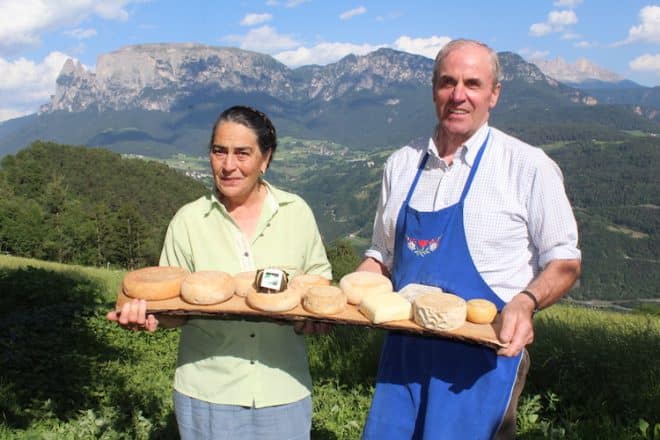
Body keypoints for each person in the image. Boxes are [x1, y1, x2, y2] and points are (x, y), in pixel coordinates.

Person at [357, 39, 581, 439]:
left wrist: (526, 303)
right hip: (404, 355)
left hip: (483, 360)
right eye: (448, 82)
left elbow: (565, 262)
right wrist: (347, 294)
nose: (458, 95)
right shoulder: (402, 164)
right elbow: (382, 255)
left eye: (473, 84)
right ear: (433, 89)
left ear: (494, 94)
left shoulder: (528, 166)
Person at [107, 105, 332, 440]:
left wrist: (312, 318)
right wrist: (149, 316)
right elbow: (174, 308)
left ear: (265, 159)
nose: (228, 166)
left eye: (242, 153)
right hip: (207, 394)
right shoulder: (188, 221)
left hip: (283, 391)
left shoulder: (296, 213)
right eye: (219, 151)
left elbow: (319, 284)